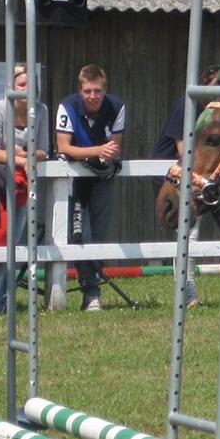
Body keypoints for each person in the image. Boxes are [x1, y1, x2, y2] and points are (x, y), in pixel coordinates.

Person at [0, 63, 49, 312]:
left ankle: (3, 300)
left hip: (23, 185)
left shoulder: (40, 110)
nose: (26, 90)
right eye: (21, 85)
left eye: (31, 85)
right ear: (10, 87)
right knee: (0, 240)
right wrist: (19, 158)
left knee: (16, 240)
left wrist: (28, 154)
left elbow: (44, 150)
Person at [56, 64, 125, 311]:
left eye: (97, 91)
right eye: (87, 91)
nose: (92, 96)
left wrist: (102, 155)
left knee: (100, 235)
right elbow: (63, 146)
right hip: (75, 179)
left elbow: (114, 147)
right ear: (80, 90)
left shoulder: (116, 106)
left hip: (103, 178)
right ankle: (90, 291)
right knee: (78, 234)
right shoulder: (68, 106)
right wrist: (96, 151)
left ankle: (93, 290)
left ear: (104, 90)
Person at [151, 65, 220, 309]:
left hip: (198, 175)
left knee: (192, 232)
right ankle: (187, 292)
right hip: (173, 175)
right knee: (188, 233)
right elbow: (183, 150)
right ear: (204, 83)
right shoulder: (186, 106)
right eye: (214, 87)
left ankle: (187, 290)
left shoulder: (217, 111)